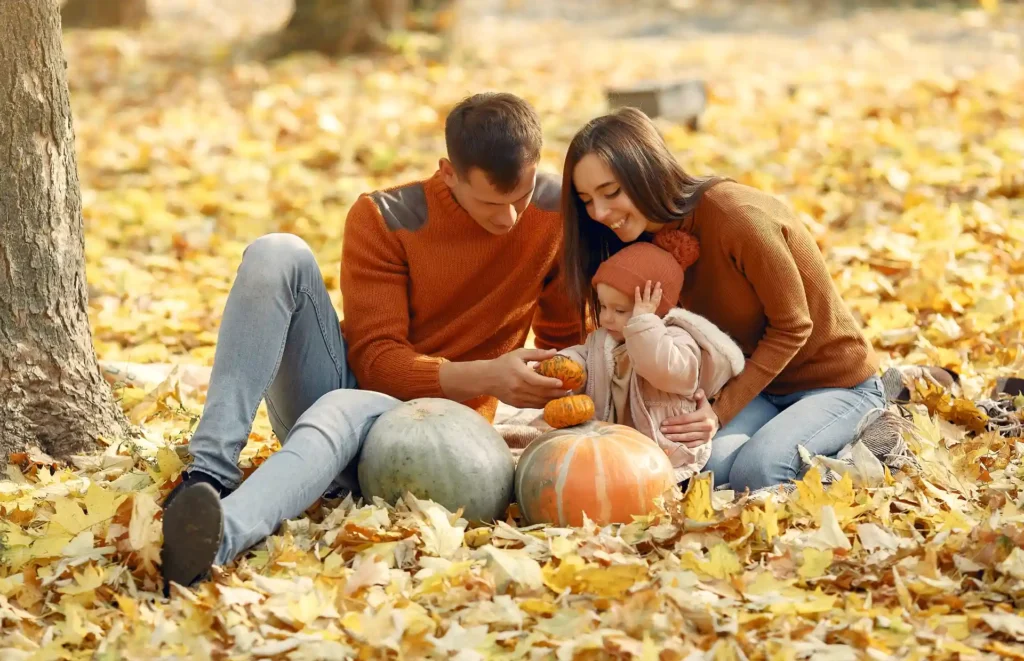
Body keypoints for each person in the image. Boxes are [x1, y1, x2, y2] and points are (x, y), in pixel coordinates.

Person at [159, 92, 587, 593]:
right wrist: (489, 375)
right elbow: (379, 361)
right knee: (277, 252)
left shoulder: (556, 212)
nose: (510, 219)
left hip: (443, 437)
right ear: (449, 173)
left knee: (341, 407)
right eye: (492, 203)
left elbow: (566, 341)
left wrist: (558, 382)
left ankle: (213, 540)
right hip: (356, 388)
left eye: (521, 197)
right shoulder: (384, 217)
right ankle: (207, 475)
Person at [560, 106, 885, 493]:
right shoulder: (635, 240)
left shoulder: (737, 217)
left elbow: (794, 325)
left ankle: (876, 448)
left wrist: (719, 413)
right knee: (698, 469)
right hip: (759, 389)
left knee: (762, 472)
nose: (598, 212)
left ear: (647, 172)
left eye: (610, 192)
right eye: (586, 200)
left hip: (836, 384)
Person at [550, 240, 745, 484]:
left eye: (620, 311)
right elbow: (586, 356)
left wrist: (642, 326)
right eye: (603, 306)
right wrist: (568, 363)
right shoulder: (605, 339)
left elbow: (664, 369)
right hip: (617, 447)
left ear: (655, 311)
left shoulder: (677, 340)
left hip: (664, 453)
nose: (607, 318)